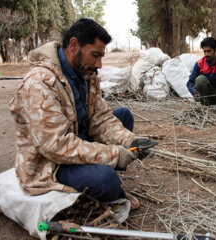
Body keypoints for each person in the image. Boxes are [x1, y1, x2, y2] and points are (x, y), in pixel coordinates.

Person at [9, 18, 155, 209]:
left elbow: (100, 118)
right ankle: (104, 184)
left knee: (123, 115)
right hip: (51, 163)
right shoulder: (39, 83)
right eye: (95, 55)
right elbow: (55, 146)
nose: (100, 64)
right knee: (106, 180)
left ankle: (97, 174)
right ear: (74, 45)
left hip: (79, 142)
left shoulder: (86, 74)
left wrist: (131, 141)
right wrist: (113, 154)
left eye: (101, 56)